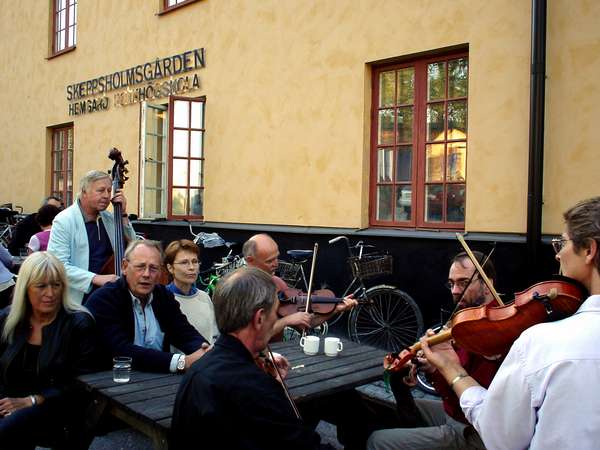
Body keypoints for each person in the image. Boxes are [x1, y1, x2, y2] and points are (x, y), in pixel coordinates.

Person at [421, 197, 600, 450]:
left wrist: (451, 368)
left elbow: (500, 437)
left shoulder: (543, 342)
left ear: (589, 250)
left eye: (562, 243)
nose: (558, 254)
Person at [171, 266, 334, 450]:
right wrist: (274, 392)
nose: (276, 319)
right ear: (259, 319)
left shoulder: (196, 372)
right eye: (275, 313)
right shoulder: (256, 387)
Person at [367, 251, 502, 450]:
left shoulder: (493, 332)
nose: (455, 291)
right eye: (452, 283)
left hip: (474, 429)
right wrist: (431, 369)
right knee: (389, 410)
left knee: (376, 441)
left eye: (464, 282)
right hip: (455, 412)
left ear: (487, 284)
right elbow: (449, 393)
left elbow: (470, 398)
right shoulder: (465, 320)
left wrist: (443, 367)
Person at [0, 252, 96, 449]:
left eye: (56, 285)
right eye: (41, 286)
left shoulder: (79, 324)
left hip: (58, 407)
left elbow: (86, 381)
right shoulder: (8, 320)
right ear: (25, 288)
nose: (50, 293)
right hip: (12, 402)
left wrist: (35, 399)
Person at [86, 239, 210, 373]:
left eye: (153, 268)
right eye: (140, 267)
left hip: (156, 382)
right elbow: (120, 351)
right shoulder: (105, 299)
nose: (146, 274)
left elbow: (184, 332)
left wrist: (205, 351)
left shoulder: (163, 296)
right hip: (109, 382)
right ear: (124, 267)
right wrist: (181, 362)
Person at [47, 170, 137, 304]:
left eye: (109, 190)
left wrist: (123, 214)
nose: (107, 196)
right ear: (84, 191)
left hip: (110, 296)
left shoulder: (109, 218)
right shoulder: (64, 220)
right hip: (80, 299)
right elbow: (57, 265)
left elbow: (133, 247)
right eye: (101, 191)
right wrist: (96, 278)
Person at [243, 233, 356, 338]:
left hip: (278, 354)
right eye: (269, 261)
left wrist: (335, 309)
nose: (276, 264)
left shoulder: (277, 283)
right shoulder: (241, 289)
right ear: (250, 261)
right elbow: (252, 336)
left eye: (276, 258)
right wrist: (286, 321)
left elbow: (308, 323)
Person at [164, 239, 219, 344]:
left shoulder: (204, 297)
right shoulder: (163, 299)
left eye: (195, 262)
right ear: (170, 268)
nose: (191, 267)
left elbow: (214, 335)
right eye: (184, 262)